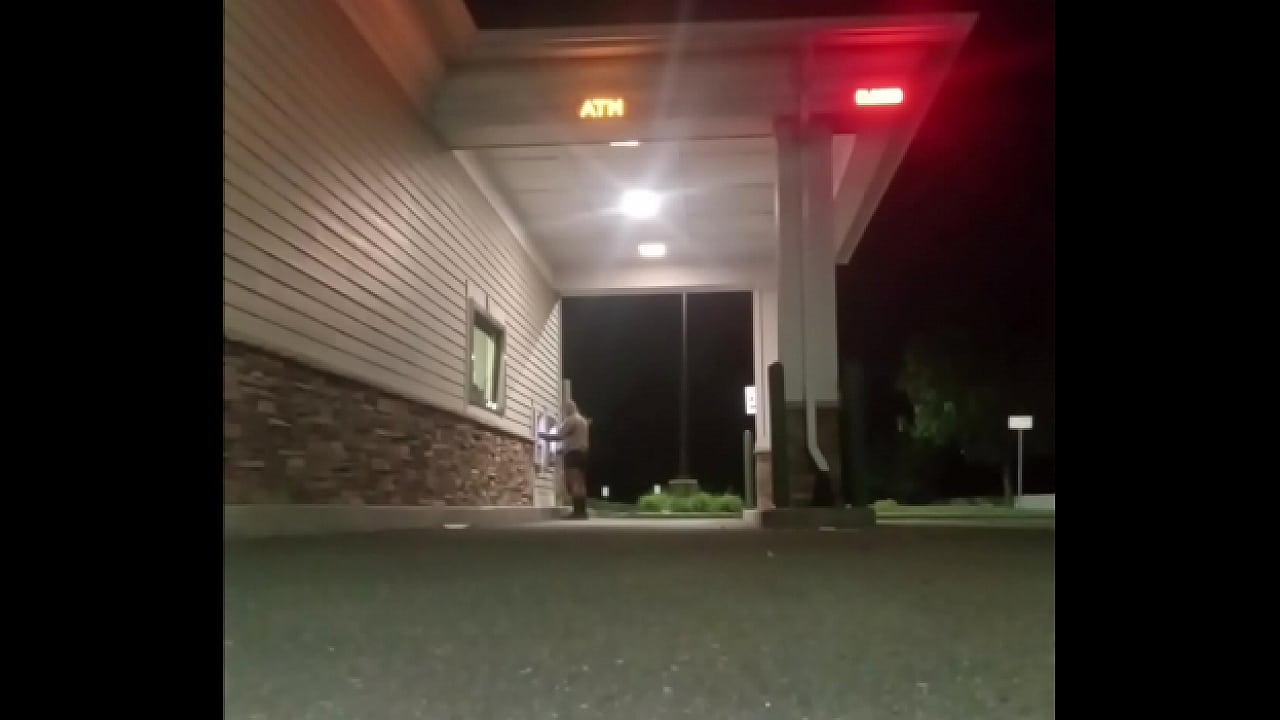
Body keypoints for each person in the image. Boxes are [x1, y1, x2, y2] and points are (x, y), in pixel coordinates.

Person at [539, 399, 591, 519]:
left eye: (564, 410)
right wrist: (561, 450)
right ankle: (582, 511)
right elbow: (576, 439)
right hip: (583, 454)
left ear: (568, 409)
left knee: (573, 482)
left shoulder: (571, 420)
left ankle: (577, 512)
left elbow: (559, 436)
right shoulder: (582, 421)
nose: (564, 413)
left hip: (573, 454)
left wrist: (542, 435)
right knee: (580, 483)